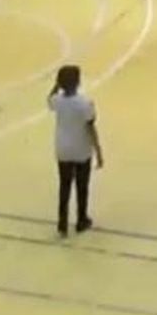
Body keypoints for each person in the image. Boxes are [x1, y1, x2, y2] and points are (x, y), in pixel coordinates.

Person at [47, 65, 103, 236]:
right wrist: (99, 151)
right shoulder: (85, 103)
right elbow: (90, 128)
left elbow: (49, 98)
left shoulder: (57, 101)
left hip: (63, 149)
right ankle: (81, 219)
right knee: (82, 186)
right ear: (78, 82)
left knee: (64, 186)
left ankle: (62, 223)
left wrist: (56, 85)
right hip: (81, 150)